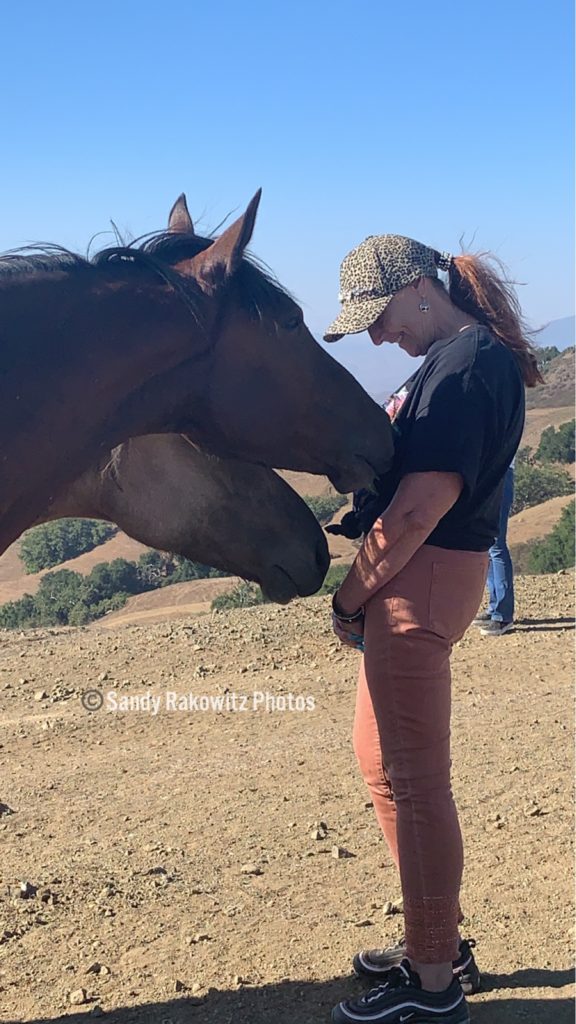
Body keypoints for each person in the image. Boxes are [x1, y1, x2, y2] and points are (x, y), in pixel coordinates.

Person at [323, 234, 542, 1024]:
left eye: (376, 319)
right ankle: (436, 938)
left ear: (419, 287)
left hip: (419, 580)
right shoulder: (455, 358)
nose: (377, 337)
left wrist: (350, 597)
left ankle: (433, 983)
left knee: (413, 782)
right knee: (385, 768)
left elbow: (421, 508)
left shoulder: (466, 365)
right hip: (418, 580)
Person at [473, 459, 516, 635]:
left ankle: (503, 616)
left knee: (497, 545)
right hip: (491, 472)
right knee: (490, 544)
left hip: (499, 472)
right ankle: (495, 607)